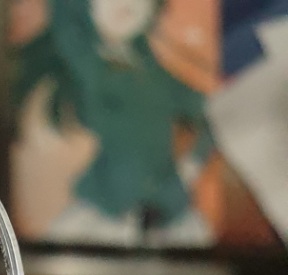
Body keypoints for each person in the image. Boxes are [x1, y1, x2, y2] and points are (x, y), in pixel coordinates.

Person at [14, 0, 215, 245]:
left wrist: (190, 169)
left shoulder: (160, 77)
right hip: (106, 214)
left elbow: (214, 117)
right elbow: (66, 29)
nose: (125, 3)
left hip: (169, 218)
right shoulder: (89, 64)